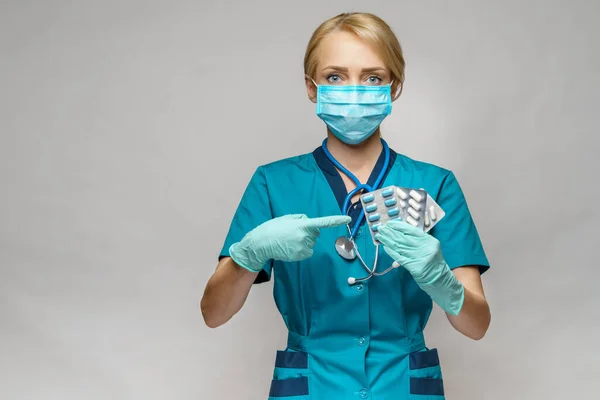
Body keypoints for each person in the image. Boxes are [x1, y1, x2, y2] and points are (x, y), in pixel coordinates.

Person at [201, 12, 491, 399]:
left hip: (402, 386)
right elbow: (214, 314)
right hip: (310, 386)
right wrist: (247, 255)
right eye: (335, 77)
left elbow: (476, 326)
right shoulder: (273, 183)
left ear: (394, 87)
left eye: (373, 77)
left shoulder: (434, 184)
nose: (354, 90)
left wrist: (442, 281)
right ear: (311, 87)